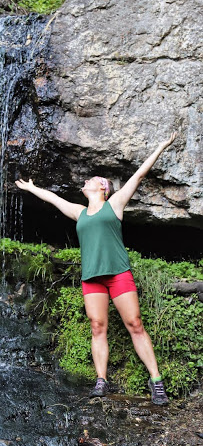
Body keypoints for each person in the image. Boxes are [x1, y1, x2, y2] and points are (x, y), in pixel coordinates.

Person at [15, 132, 178, 405]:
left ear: (103, 187)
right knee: (97, 326)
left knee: (135, 324)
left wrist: (160, 146)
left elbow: (138, 176)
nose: (86, 181)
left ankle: (156, 380)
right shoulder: (79, 211)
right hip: (92, 279)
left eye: (92, 179)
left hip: (118, 274)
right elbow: (54, 199)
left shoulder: (114, 205)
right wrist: (32, 189)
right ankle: (101, 380)